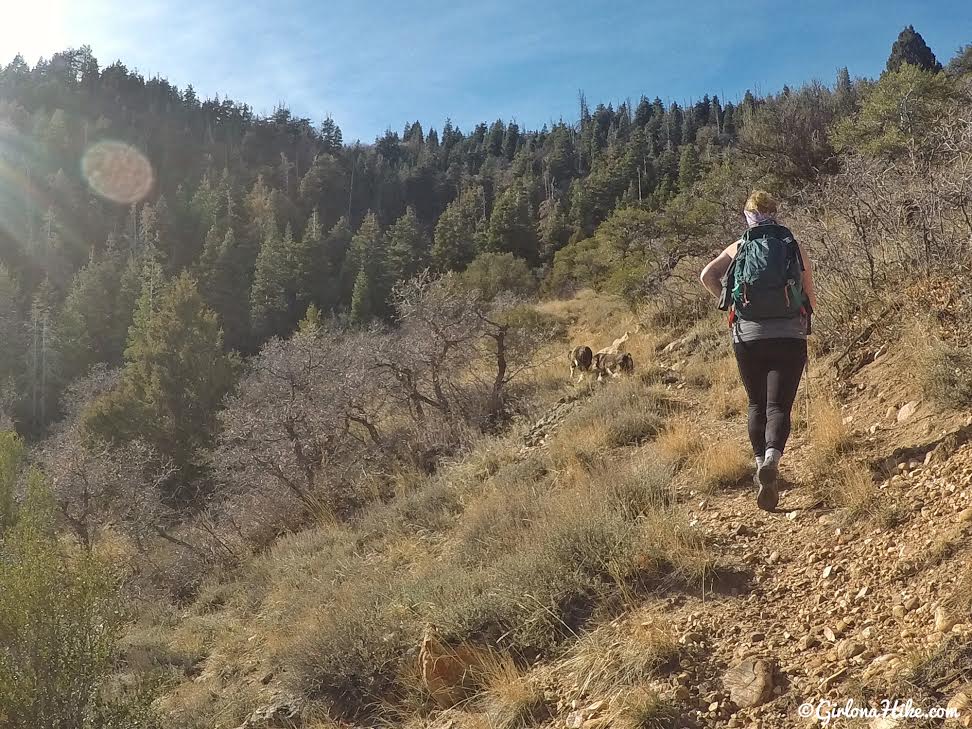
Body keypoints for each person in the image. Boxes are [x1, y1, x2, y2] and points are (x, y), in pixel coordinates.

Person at [699, 191, 817, 511]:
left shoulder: (739, 246)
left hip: (747, 337)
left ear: (748, 215)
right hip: (789, 335)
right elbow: (809, 295)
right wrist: (802, 319)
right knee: (779, 406)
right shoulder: (791, 244)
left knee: (756, 403)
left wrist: (728, 302)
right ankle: (772, 459)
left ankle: (758, 465)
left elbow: (706, 275)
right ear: (774, 213)